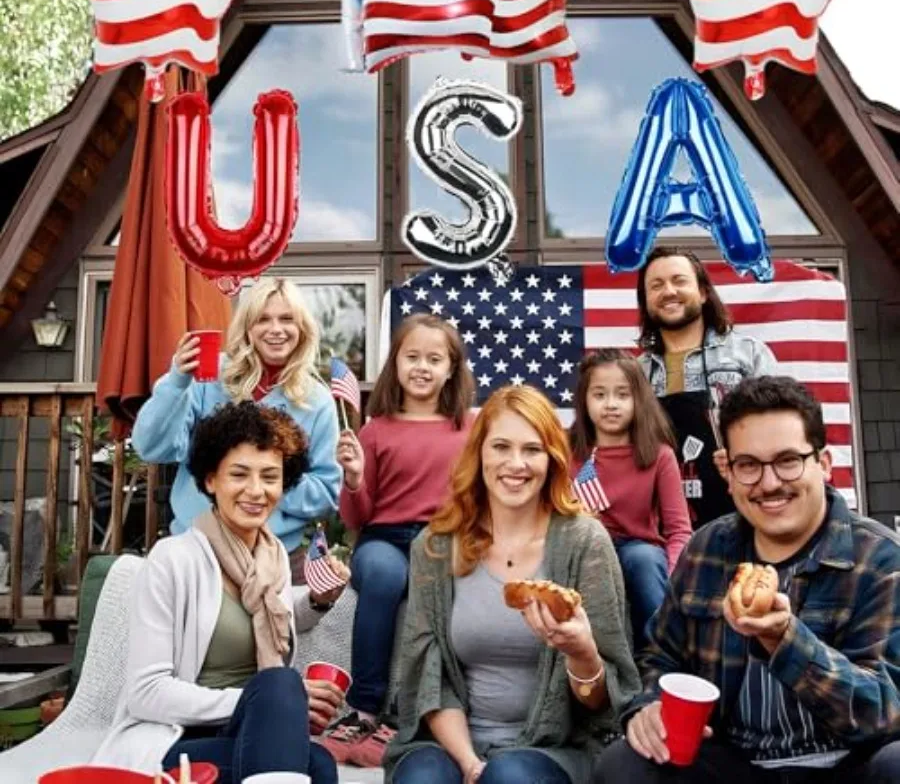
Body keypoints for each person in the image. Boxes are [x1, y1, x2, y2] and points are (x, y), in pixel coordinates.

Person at [593, 376, 900, 784]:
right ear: (729, 471)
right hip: (735, 765)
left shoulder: (879, 558)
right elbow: (659, 657)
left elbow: (885, 711)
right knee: (622, 765)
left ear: (823, 464)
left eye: (788, 460)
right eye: (749, 465)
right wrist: (649, 706)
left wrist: (787, 642)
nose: (769, 483)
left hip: (848, 764)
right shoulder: (708, 549)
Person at [385, 385, 641, 784]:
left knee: (508, 778)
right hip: (450, 744)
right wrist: (470, 763)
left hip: (555, 748)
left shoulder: (584, 542)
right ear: (480, 453)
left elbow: (606, 703)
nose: (515, 464)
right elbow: (427, 681)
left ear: (552, 459)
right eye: (501, 447)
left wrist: (581, 652)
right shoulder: (434, 549)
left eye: (532, 450)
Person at [92, 401, 348, 783]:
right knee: (282, 688)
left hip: (245, 730)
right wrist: (262, 701)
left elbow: (267, 609)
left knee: (318, 760)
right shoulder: (172, 559)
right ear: (211, 480)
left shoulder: (270, 554)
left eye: (270, 477)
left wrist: (316, 599)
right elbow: (145, 693)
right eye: (239, 475)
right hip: (173, 738)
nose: (256, 491)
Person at [322, 314, 476, 768]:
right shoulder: (374, 430)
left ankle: (415, 710)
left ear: (452, 368)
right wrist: (352, 477)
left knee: (442, 580)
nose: (422, 367)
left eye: (435, 358)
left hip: (443, 537)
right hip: (382, 539)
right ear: (396, 363)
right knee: (386, 577)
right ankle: (366, 707)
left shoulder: (467, 429)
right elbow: (356, 515)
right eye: (412, 357)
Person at [133, 278, 342, 571]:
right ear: (247, 327)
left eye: (287, 319)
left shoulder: (317, 400)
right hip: (198, 546)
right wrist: (177, 381)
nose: (276, 329)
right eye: (263, 320)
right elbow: (151, 447)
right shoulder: (207, 377)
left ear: (302, 329)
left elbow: (327, 493)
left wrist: (263, 484)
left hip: (275, 554)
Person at [637, 246, 777, 528]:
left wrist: (746, 455)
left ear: (702, 293)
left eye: (679, 281)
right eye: (656, 285)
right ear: (647, 300)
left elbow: (780, 429)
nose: (668, 291)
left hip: (745, 516)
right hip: (663, 526)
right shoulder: (635, 373)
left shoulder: (748, 354)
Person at [569, 349, 691, 649]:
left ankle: (660, 656)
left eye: (622, 395)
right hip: (583, 547)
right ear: (585, 401)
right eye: (599, 395)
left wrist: (673, 576)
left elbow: (679, 530)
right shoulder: (566, 451)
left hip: (638, 553)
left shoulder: (659, 455)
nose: (611, 405)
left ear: (639, 400)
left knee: (642, 558)